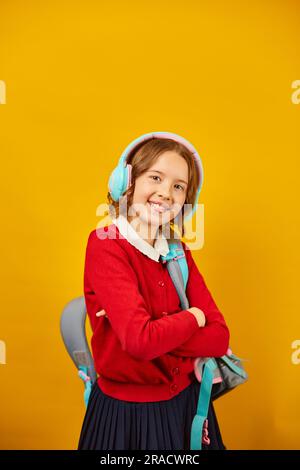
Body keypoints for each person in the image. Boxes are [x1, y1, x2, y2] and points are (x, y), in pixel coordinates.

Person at [77, 132, 230, 450]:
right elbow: (138, 342)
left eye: (178, 186)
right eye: (156, 177)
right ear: (127, 183)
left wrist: (153, 329)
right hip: (127, 414)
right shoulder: (106, 244)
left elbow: (219, 337)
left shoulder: (179, 252)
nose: (166, 193)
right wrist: (192, 316)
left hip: (187, 405)